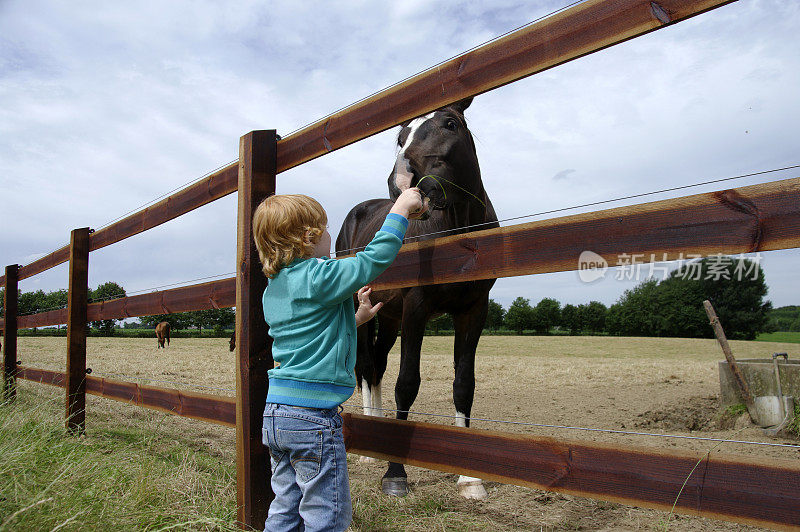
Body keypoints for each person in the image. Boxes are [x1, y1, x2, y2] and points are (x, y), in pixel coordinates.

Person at [253, 188, 426, 532]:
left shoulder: (274, 288)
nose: (331, 235)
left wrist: (355, 318)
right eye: (325, 228)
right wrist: (400, 211)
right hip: (312, 419)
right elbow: (371, 260)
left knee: (284, 508)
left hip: (277, 415)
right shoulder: (319, 274)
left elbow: (309, 331)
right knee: (327, 514)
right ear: (309, 237)